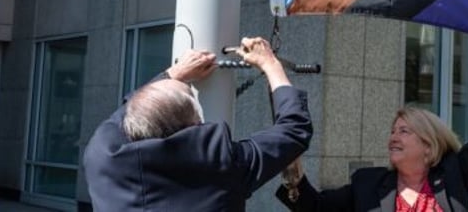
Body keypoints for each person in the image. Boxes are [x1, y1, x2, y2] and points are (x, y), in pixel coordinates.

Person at [276, 51, 468, 212]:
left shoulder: (453, 176)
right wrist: (291, 169)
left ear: (428, 146)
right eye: (393, 131)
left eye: (404, 131)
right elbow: (314, 208)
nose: (393, 137)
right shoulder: (367, 185)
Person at [84, 36, 312, 211]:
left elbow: (128, 111)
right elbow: (294, 129)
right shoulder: (221, 165)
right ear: (195, 123)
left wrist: (172, 74)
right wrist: (271, 64)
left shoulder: (102, 156)